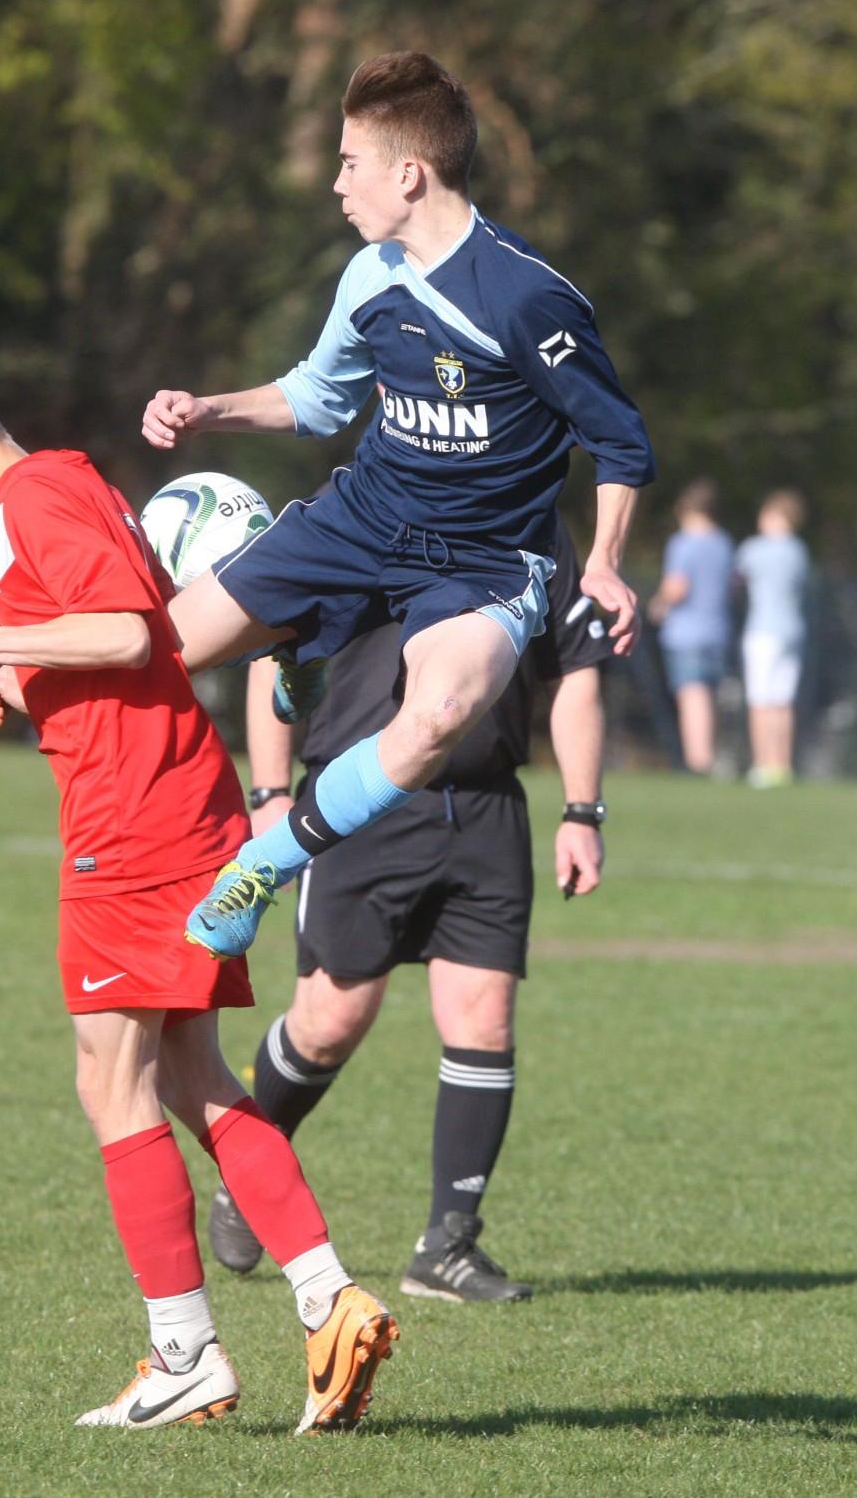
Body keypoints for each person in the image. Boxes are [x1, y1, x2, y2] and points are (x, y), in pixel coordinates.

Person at [0, 334, 397, 1435]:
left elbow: (126, 628)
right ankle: (327, 1297)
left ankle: (185, 1351)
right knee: (191, 1071)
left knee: (112, 1081)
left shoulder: (35, 501)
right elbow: (124, 637)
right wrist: (29, 664)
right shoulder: (64, 481)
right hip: (178, 800)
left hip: (133, 819)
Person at [142, 51, 653, 962]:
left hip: (486, 563)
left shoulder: (528, 298)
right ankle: (299, 645)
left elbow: (619, 442)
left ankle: (264, 862)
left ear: (407, 173)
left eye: (350, 163)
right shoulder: (370, 274)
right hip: (363, 520)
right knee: (159, 650)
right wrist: (210, 408)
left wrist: (606, 560)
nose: (338, 185)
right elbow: (320, 398)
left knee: (435, 718)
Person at [207, 520, 612, 1301]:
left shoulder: (536, 530)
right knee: (329, 1020)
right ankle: (251, 1169)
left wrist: (583, 810)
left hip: (488, 808)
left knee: (484, 1017)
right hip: (359, 805)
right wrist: (269, 794)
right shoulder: (358, 509)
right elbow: (269, 651)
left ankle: (448, 1244)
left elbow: (577, 674)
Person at [647, 478, 735, 774]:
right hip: (718, 630)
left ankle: (699, 761)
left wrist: (658, 605)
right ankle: (710, 755)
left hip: (686, 632)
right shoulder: (724, 543)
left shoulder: (684, 543)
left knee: (692, 694)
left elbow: (677, 587)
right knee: (710, 696)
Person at [736, 489, 810, 788]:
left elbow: (738, 577)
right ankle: (783, 764)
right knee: (782, 702)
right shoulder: (798, 551)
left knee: (760, 701)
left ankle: (763, 763)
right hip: (793, 630)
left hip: (764, 630)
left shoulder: (756, 549)